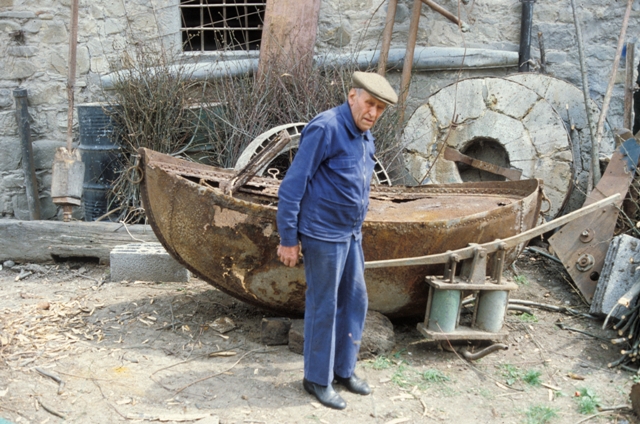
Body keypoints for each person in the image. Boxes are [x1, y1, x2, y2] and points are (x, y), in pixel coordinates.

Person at [276, 71, 398, 410]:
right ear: (351, 97)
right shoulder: (325, 128)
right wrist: (288, 238)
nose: (373, 113)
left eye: (380, 108)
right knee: (324, 306)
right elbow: (292, 186)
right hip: (322, 235)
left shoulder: (364, 135)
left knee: (356, 301)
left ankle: (343, 370)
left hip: (351, 235)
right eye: (369, 103)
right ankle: (316, 379)